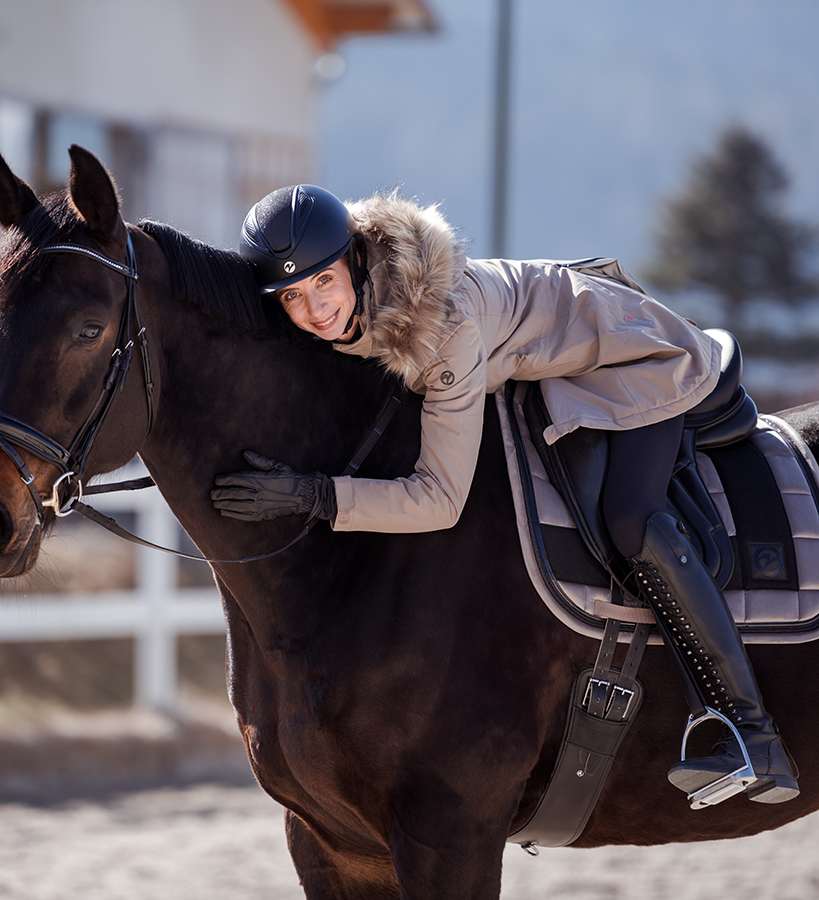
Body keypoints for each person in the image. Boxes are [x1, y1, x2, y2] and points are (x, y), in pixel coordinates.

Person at [211, 184, 799, 805]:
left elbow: (439, 499)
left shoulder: (444, 330)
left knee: (630, 519)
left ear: (356, 259)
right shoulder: (360, 303)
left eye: (323, 283)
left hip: (637, 358)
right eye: (292, 298)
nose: (314, 310)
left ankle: (749, 730)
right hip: (558, 361)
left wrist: (317, 496)